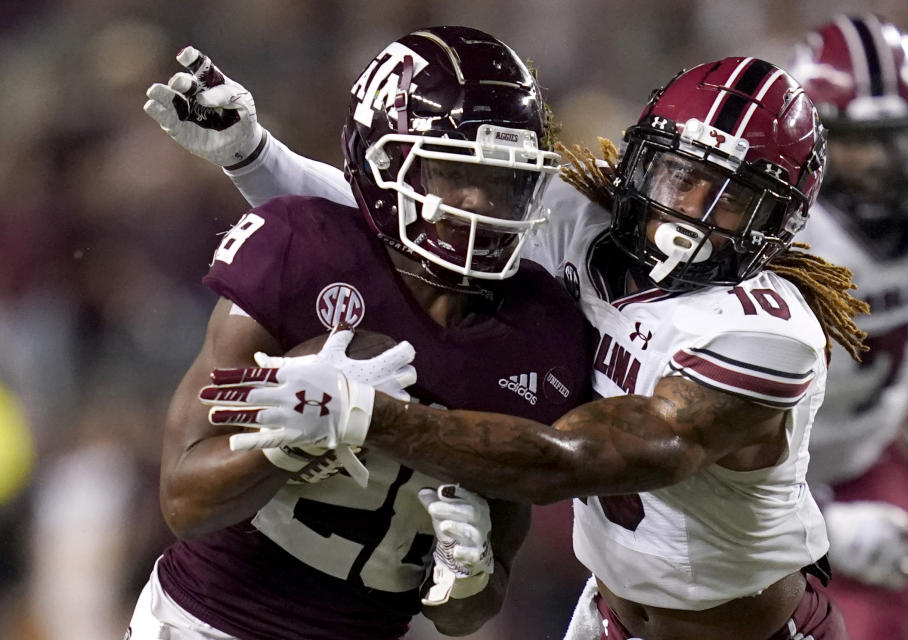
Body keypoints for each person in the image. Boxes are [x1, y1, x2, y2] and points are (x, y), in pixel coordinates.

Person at [163, 52, 870, 638]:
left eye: (731, 198)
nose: (687, 212)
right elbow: (399, 207)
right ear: (639, 157)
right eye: (678, 175)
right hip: (606, 616)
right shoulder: (584, 223)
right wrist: (254, 157)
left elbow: (576, 460)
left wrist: (368, 415)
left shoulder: (766, 333)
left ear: (777, 223)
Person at [130, 26, 595, 640]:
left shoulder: (538, 330)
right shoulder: (299, 249)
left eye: (507, 181)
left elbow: (465, 611)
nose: (482, 203)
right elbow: (185, 501)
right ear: (383, 164)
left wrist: (469, 574)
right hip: (208, 623)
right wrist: (286, 439)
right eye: (457, 173)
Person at [786, 14, 908, 640]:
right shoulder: (767, 226)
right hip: (733, 474)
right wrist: (819, 524)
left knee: (896, 605)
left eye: (894, 136)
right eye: (856, 141)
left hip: (862, 452)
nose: (880, 162)